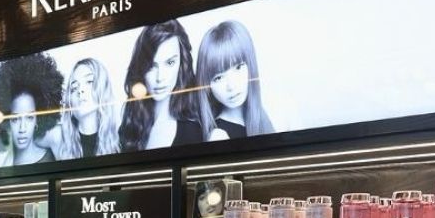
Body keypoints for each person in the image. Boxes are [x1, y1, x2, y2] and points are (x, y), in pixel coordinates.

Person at [118, 20, 202, 152]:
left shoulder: (192, 133)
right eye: (152, 65)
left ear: (182, 64)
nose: (160, 77)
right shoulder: (130, 125)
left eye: (170, 63)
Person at [193, 20, 274, 140]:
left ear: (250, 64)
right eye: (218, 78)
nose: (231, 86)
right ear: (207, 86)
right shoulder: (219, 136)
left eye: (238, 67)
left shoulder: (261, 116)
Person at [0, 53, 63, 165]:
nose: (22, 128)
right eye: (15, 119)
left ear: (38, 119)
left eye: (29, 118)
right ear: (7, 122)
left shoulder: (55, 154)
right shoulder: (5, 167)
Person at [51, 58, 120, 159]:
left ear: (103, 89)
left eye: (89, 81)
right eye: (74, 87)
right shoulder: (57, 136)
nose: (80, 90)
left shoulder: (122, 140)